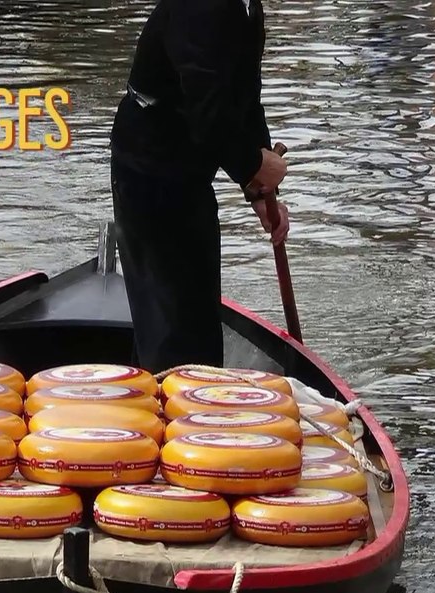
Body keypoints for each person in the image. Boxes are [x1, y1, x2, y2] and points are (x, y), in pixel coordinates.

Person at [110, 0, 290, 374]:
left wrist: (259, 189)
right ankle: (168, 412)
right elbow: (208, 114)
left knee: (196, 323)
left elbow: (243, 99)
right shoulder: (200, 6)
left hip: (189, 174)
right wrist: (254, 164)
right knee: (172, 333)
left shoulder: (247, 6)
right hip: (148, 171)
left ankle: (183, 401)